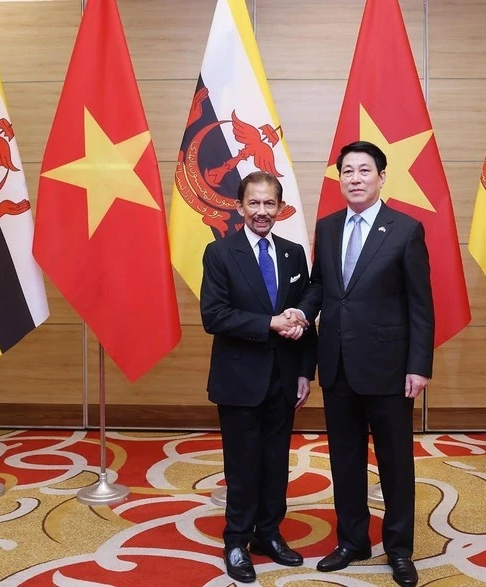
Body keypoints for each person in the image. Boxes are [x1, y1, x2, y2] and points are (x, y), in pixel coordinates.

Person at [297, 141, 434, 587]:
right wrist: (300, 312)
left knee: (396, 463)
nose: (354, 178)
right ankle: (353, 540)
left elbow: (420, 306)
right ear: (340, 179)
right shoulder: (329, 226)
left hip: (390, 368)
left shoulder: (406, 229)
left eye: (363, 171)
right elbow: (321, 288)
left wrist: (419, 365)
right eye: (347, 171)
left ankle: (399, 549)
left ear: (381, 177)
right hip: (336, 363)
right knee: (345, 459)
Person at [200, 171, 315, 584]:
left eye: (270, 204)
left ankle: (268, 533)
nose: (262, 212)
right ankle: (236, 540)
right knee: (243, 465)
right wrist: (269, 323)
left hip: (284, 379)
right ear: (240, 206)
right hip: (239, 380)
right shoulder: (220, 253)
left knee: (275, 463)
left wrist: (305, 372)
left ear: (280, 208)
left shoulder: (293, 253)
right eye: (254, 203)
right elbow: (214, 316)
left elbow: (304, 314)